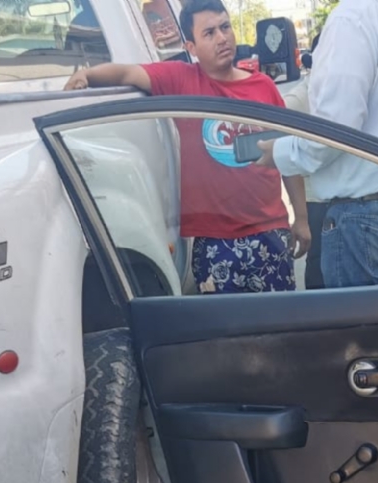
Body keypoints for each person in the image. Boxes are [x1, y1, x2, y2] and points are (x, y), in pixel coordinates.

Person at [65, 0, 311, 294]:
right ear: (191, 47)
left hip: (270, 232)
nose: (222, 38)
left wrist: (302, 218)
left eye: (225, 27)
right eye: (209, 33)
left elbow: (287, 156)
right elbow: (128, 74)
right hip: (214, 241)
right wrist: (87, 76)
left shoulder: (263, 87)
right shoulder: (180, 81)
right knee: (222, 335)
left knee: (280, 331)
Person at [258, 0, 378, 288]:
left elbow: (335, 131)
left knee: (360, 331)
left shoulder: (354, 17)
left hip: (367, 218)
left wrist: (280, 151)